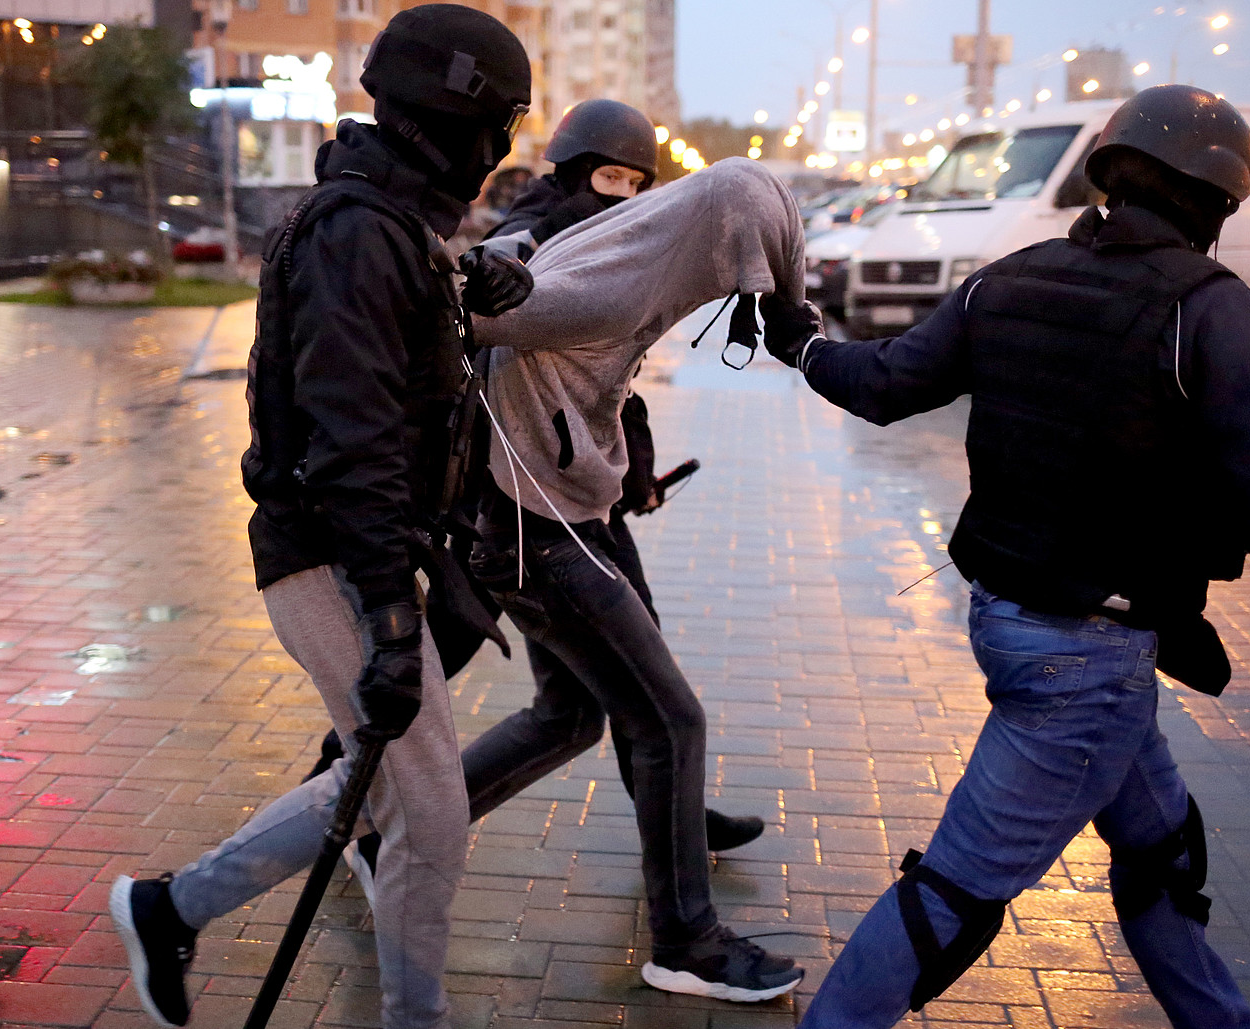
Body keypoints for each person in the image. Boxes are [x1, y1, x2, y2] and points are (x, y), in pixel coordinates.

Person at [758, 85, 1250, 1029]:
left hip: (1015, 622)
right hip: (1084, 668)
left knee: (1162, 853)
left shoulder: (1009, 277)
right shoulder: (1211, 308)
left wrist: (802, 343)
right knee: (955, 892)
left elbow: (888, 381)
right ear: (1216, 201)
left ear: (1108, 173)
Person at [106, 7, 534, 1028]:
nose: (494, 154)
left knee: (388, 791)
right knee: (431, 813)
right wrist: (388, 616)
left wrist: (474, 282)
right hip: (331, 556)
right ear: (450, 119)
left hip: (362, 551)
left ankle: (171, 908)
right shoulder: (356, 233)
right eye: (494, 130)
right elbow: (351, 440)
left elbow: (402, 368)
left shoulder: (389, 227)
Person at [465, 157, 810, 1003]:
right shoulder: (619, 288)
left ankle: (390, 829)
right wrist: (482, 268)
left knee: (571, 714)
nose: (737, 293)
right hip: (537, 532)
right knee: (669, 720)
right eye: (743, 274)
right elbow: (473, 315)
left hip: (552, 516)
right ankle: (686, 942)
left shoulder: (641, 264)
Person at [462, 97, 765, 853]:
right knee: (416, 672)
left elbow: (613, 383)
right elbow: (483, 296)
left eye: (636, 184)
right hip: (507, 505)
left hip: (568, 501)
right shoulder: (532, 238)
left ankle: (676, 811)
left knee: (580, 704)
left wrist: (635, 475)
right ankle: (354, 806)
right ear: (571, 171)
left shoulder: (618, 245)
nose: (622, 196)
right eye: (609, 179)